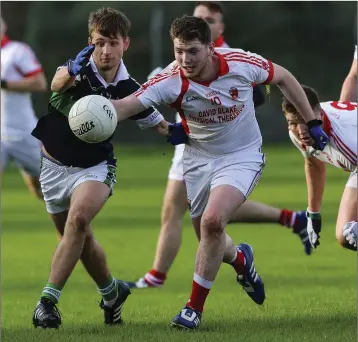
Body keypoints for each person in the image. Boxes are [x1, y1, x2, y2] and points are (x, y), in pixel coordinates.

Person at [110, 15, 329, 330]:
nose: (185, 59)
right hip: (198, 160)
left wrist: (312, 121)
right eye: (179, 51)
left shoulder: (240, 63)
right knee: (208, 237)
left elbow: (284, 78)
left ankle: (192, 309)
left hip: (242, 156)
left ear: (210, 48)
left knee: (213, 222)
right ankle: (241, 260)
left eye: (193, 51)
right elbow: (125, 106)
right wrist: (86, 114)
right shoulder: (170, 80)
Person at [30, 7, 167, 329]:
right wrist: (71, 70)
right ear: (90, 43)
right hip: (51, 168)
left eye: (113, 43)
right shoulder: (75, 70)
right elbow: (56, 83)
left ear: (126, 44)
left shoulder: (130, 89)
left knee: (78, 221)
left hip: (95, 168)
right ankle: (112, 292)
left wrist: (200, 124)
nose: (106, 51)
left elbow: (162, 127)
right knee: (79, 238)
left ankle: (46, 303)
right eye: (100, 43)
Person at [282, 86, 357, 251]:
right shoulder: (297, 133)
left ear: (320, 114)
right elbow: (313, 163)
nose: (300, 131)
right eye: (293, 122)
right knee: (346, 235)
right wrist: (313, 213)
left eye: (304, 120)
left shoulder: (348, 139)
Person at [0, 17, 47, 199]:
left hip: (22, 132)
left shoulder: (16, 51)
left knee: (44, 191)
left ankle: (73, 226)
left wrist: (4, 84)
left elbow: (39, 82)